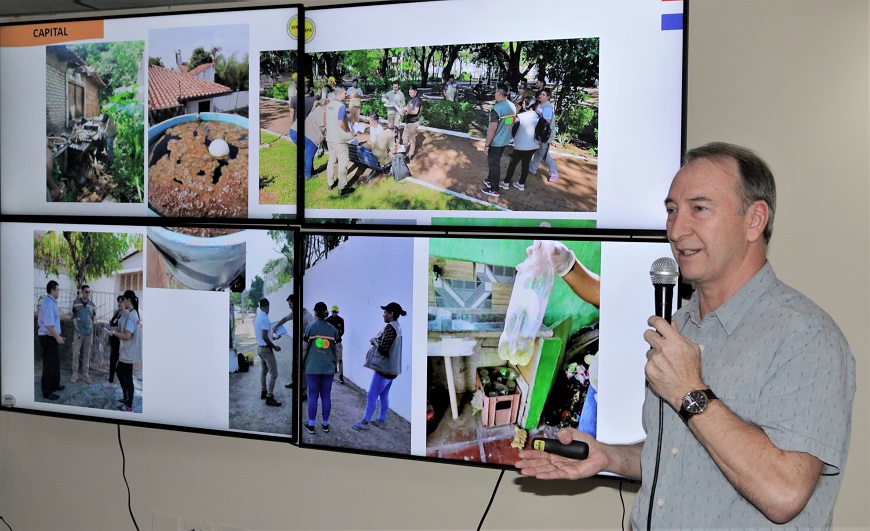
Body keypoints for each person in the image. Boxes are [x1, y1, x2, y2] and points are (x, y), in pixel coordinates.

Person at [517, 142, 856, 528]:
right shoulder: (681, 325)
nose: (677, 231)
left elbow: (783, 493)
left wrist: (689, 391)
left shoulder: (806, 338)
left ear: (754, 220)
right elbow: (682, 456)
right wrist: (611, 457)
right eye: (672, 210)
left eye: (699, 208)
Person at [352, 302, 406, 430]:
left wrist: (374, 341)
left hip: (384, 369)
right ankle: (381, 419)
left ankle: (365, 421)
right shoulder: (397, 327)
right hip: (392, 370)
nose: (383, 315)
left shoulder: (390, 328)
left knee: (372, 395)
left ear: (391, 314)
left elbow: (382, 349)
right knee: (383, 395)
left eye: (385, 312)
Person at [302, 302, 339, 434]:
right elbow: (338, 349)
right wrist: (335, 363)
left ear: (315, 313)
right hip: (328, 368)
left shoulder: (310, 328)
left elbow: (304, 349)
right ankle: (325, 425)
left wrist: (302, 362)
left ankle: (311, 425)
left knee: (312, 396)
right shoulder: (333, 330)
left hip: (312, 368)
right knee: (326, 396)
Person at [108, 290, 141, 412]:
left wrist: (114, 333)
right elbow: (122, 327)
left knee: (126, 376)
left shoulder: (132, 315)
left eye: (124, 300)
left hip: (128, 352)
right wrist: (112, 328)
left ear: (128, 300)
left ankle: (129, 404)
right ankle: (126, 397)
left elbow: (127, 335)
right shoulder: (131, 313)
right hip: (126, 351)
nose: (122, 302)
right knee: (120, 372)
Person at [481, 87, 516, 198]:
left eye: (496, 92)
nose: (494, 94)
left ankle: (494, 189)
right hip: (505, 140)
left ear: (500, 94)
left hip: (496, 142)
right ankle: (490, 180)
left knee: (494, 165)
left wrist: (487, 144)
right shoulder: (512, 106)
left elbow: (492, 129)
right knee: (495, 162)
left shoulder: (497, 108)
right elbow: (509, 122)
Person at [323, 85, 356, 196]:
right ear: (339, 93)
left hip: (330, 138)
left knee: (331, 160)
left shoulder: (329, 105)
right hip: (339, 140)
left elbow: (326, 120)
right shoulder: (341, 106)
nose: (346, 95)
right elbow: (341, 123)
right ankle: (342, 187)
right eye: (345, 93)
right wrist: (347, 131)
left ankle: (330, 183)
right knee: (343, 162)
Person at [502, 96, 540, 191]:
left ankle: (506, 182)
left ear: (524, 104)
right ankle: (521, 184)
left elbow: (507, 122)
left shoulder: (520, 117)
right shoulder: (538, 116)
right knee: (526, 164)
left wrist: (513, 113)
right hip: (534, 145)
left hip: (521, 146)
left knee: (513, 163)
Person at [37, 280, 65, 400]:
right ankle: (47, 391)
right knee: (49, 365)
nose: (59, 292)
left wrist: (57, 336)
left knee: (54, 363)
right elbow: (48, 325)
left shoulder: (51, 303)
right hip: (48, 338)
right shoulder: (48, 304)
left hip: (51, 337)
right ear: (52, 290)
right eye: (58, 290)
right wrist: (57, 337)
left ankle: (54, 385)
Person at [254, 298, 282, 407]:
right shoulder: (265, 318)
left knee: (264, 371)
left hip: (260, 349)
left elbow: (263, 336)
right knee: (274, 373)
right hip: (266, 350)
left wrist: (274, 338)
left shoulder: (257, 318)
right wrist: (274, 347)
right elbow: (264, 336)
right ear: (267, 306)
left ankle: (263, 392)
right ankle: (269, 397)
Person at [289, 94, 325, 180]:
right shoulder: (325, 112)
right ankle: (307, 175)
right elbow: (325, 128)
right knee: (309, 154)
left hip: (294, 131)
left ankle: (310, 170)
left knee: (307, 152)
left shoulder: (315, 108)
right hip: (309, 135)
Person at [528, 88, 558, 182]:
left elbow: (547, 121)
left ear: (548, 97)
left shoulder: (547, 107)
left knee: (544, 154)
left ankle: (554, 172)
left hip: (546, 135)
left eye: (544, 95)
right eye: (541, 94)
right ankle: (532, 169)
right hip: (541, 133)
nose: (541, 96)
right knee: (539, 151)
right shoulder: (542, 105)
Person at [70, 283, 96, 384]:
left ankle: (85, 374)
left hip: (89, 333)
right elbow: (73, 315)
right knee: (76, 352)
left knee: (86, 354)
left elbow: (94, 317)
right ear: (81, 292)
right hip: (78, 332)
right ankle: (75, 373)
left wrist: (91, 325)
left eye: (89, 292)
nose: (87, 294)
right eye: (86, 292)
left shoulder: (92, 305)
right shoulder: (76, 303)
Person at [107, 295, 126, 384]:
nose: (119, 304)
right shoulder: (116, 312)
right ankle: (111, 379)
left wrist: (112, 329)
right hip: (113, 340)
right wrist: (108, 327)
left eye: (121, 302)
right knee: (112, 359)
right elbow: (111, 322)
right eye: (118, 302)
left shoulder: (126, 314)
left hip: (121, 341)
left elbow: (121, 327)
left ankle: (121, 380)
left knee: (121, 362)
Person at [401, 85, 422, 161]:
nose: (410, 93)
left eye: (411, 92)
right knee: (404, 137)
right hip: (408, 122)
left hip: (413, 123)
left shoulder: (417, 100)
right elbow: (408, 106)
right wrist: (403, 109)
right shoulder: (411, 99)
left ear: (415, 91)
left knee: (411, 139)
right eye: (409, 92)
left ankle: (410, 155)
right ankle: (403, 151)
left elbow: (415, 111)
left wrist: (407, 111)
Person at [325, 305, 345, 384]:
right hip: (330, 343)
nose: (334, 313)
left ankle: (341, 376)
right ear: (331, 312)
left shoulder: (341, 320)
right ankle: (330, 374)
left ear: (338, 312)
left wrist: (337, 337)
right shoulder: (328, 320)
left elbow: (342, 331)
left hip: (338, 342)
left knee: (340, 359)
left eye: (335, 312)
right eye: (333, 311)